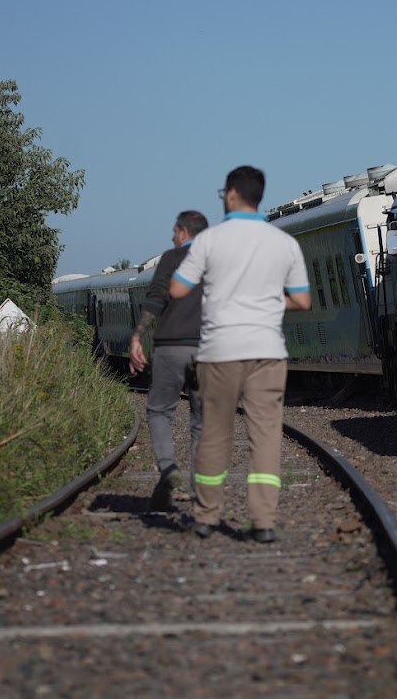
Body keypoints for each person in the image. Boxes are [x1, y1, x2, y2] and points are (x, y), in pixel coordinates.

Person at [168, 166, 311, 543]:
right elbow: (302, 300)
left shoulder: (209, 242)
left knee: (215, 434)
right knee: (265, 436)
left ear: (231, 195)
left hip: (219, 352)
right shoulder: (284, 243)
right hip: (267, 351)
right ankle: (263, 522)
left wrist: (219, 294)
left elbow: (178, 290)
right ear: (258, 196)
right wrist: (264, 302)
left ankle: (206, 517)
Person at [130, 210, 209, 512]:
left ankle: (167, 468)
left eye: (174, 232)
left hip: (171, 346)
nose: (172, 237)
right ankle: (199, 488)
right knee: (202, 421)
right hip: (208, 349)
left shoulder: (171, 259)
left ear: (183, 231)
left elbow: (155, 300)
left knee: (160, 411)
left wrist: (137, 336)